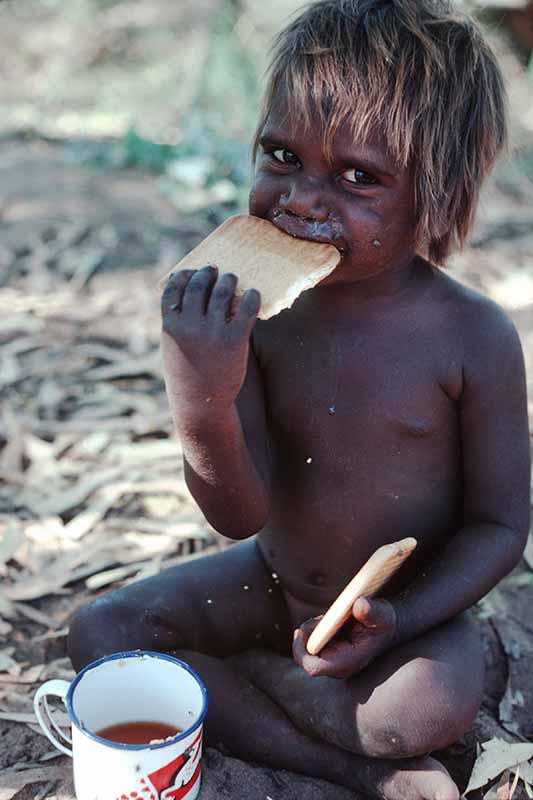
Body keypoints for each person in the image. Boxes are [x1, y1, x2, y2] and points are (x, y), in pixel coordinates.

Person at [67, 1, 531, 797]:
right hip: (271, 576)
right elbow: (237, 517)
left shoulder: (471, 335)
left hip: (403, 611)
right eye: (280, 154)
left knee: (417, 715)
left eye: (358, 177)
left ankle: (256, 691)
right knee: (100, 632)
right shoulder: (254, 315)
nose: (303, 199)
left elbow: (498, 525)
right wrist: (201, 396)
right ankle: (346, 763)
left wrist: (401, 620)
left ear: (436, 192)